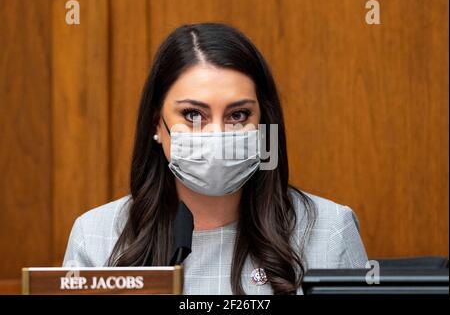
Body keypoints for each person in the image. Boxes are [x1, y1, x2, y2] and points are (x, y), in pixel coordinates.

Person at [63, 22, 368, 295]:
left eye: (238, 115)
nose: (217, 134)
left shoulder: (329, 230)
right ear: (157, 124)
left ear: (263, 125)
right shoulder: (96, 235)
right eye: (193, 114)